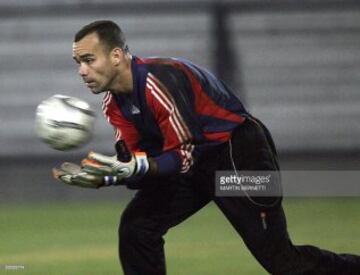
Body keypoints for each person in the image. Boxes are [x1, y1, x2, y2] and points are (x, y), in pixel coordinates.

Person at [53, 20, 360, 275]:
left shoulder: (158, 82)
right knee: (137, 229)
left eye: (89, 60)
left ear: (117, 56)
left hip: (238, 157)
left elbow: (181, 154)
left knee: (282, 262)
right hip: (191, 162)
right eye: (78, 62)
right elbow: (138, 164)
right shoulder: (114, 104)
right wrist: (109, 177)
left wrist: (131, 169)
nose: (81, 71)